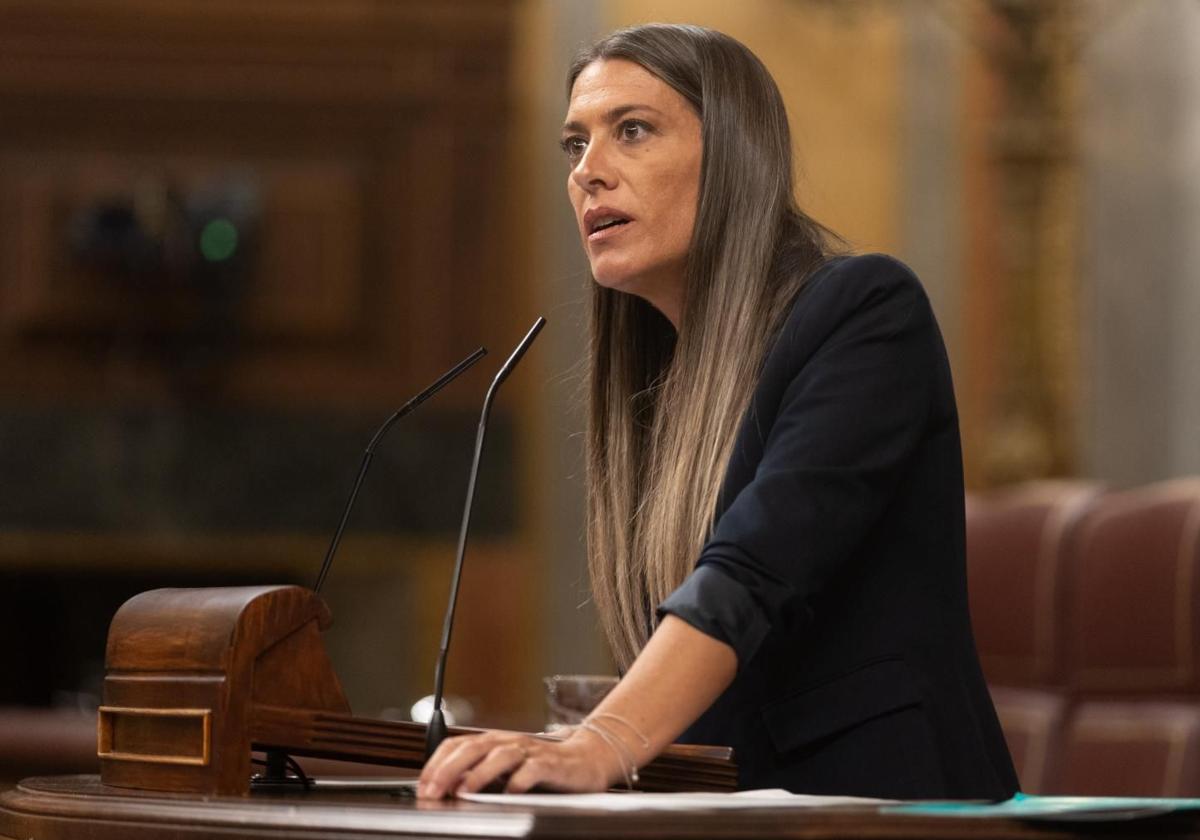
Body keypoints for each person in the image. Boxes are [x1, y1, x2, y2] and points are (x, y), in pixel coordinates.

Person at [418, 23, 1018, 801]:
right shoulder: (661, 378)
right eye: (574, 145)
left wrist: (602, 742)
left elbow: (754, 570)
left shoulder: (866, 313)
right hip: (730, 807)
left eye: (631, 131)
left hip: (888, 809)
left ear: (735, 155)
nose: (589, 173)